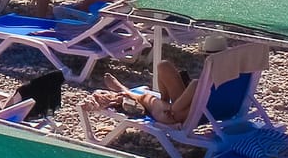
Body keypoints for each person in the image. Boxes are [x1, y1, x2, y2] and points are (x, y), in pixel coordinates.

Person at [90, 33, 229, 125]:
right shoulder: (238, 74)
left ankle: (122, 91)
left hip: (182, 115)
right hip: (199, 108)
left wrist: (174, 108)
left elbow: (196, 89)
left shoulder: (206, 79)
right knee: (164, 65)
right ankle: (135, 94)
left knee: (150, 100)